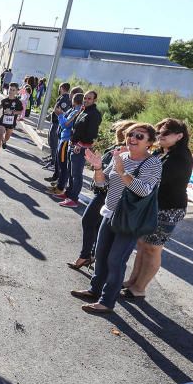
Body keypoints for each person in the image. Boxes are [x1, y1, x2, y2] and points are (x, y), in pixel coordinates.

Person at [72, 123, 162, 314]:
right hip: (110, 212)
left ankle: (107, 301)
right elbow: (102, 184)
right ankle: (94, 290)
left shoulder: (153, 163)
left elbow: (144, 190)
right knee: (102, 255)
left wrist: (122, 172)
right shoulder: (120, 157)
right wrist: (97, 168)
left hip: (129, 220)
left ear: (150, 143)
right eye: (131, 135)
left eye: (140, 136)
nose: (133, 139)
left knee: (115, 260)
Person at [121, 118, 193, 298]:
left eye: (165, 133)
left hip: (169, 209)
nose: (161, 135)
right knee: (142, 244)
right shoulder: (161, 153)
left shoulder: (180, 157)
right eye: (159, 132)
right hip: (153, 206)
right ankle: (132, 282)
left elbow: (157, 180)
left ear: (179, 136)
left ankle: (140, 288)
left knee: (153, 247)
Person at [68, 120, 135, 270]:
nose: (117, 134)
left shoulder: (125, 152)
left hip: (108, 193)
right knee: (95, 224)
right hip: (102, 189)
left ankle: (88, 256)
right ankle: (91, 255)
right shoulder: (117, 148)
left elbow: (120, 174)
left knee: (89, 221)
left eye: (120, 131)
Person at [59, 90, 101, 208]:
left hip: (81, 147)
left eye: (89, 99)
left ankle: (73, 199)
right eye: (85, 98)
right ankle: (68, 194)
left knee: (77, 174)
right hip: (73, 144)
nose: (86, 100)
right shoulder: (84, 110)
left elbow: (92, 134)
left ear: (94, 100)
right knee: (71, 171)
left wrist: (81, 145)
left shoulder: (94, 114)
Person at [49, 90, 84, 193]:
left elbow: (66, 125)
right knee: (61, 164)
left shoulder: (75, 111)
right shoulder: (74, 110)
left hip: (66, 140)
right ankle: (60, 185)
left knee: (63, 165)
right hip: (64, 139)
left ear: (74, 100)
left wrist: (59, 115)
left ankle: (60, 188)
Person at [0, 83, 25, 160]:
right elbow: (1, 105)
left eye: (13, 90)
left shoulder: (18, 102)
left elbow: (20, 112)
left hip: (11, 123)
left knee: (6, 137)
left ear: (17, 91)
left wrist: (12, 112)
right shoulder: (5, 100)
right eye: (10, 89)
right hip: (3, 121)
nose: (11, 91)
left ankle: (4, 141)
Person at [45, 82, 73, 172]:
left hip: (57, 122)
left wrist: (55, 113)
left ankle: (53, 161)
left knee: (54, 142)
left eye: (60, 87)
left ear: (62, 88)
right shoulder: (62, 97)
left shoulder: (65, 98)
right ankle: (52, 157)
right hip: (54, 121)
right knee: (50, 140)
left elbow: (60, 110)